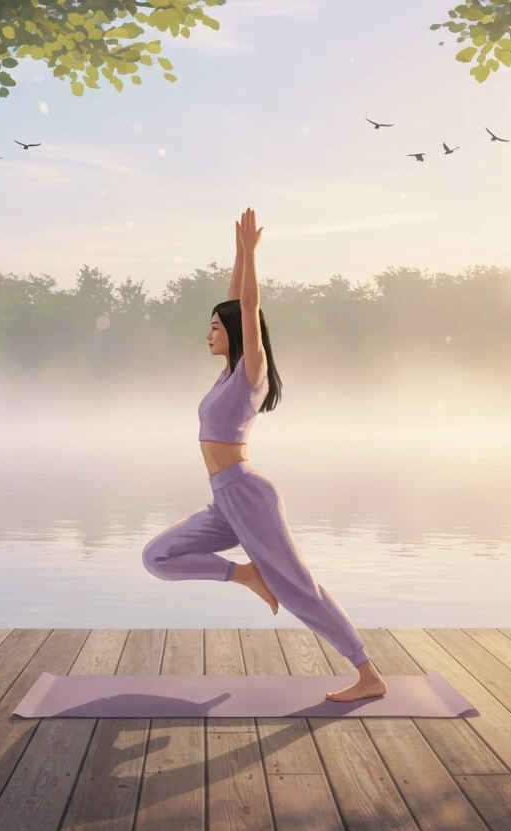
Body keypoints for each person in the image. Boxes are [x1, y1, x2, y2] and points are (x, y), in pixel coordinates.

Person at [142, 208, 388, 702]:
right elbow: (237, 304)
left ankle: (368, 675)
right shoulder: (229, 373)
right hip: (224, 501)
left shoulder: (251, 373)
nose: (208, 334)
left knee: (298, 588)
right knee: (158, 557)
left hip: (248, 496)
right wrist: (237, 254)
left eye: (215, 327)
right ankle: (247, 575)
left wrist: (252, 257)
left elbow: (247, 308)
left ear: (236, 333)